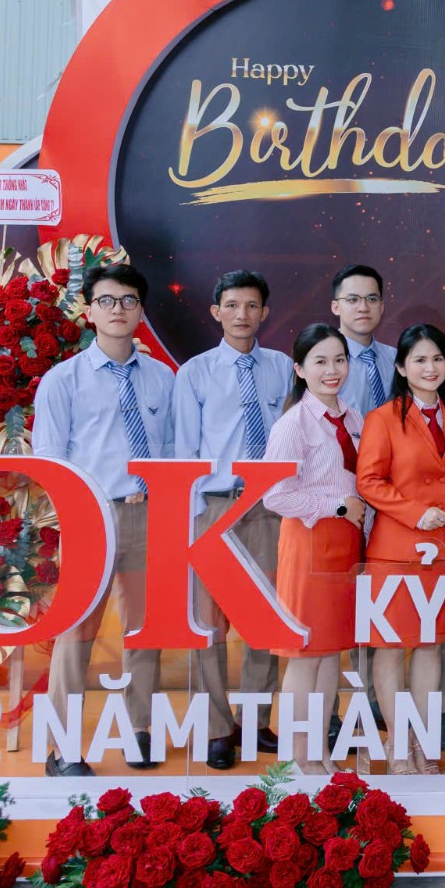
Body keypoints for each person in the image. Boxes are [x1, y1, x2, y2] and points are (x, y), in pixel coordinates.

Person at [35, 262, 175, 777]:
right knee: (76, 635)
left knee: (145, 630)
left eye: (129, 300)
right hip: (90, 515)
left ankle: (139, 731)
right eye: (108, 300)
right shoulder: (63, 380)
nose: (119, 309)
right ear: (89, 310)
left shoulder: (162, 378)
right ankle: (62, 750)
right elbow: (50, 460)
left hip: (149, 514)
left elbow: (174, 450)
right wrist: (79, 511)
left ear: (141, 310)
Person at [168, 269, 293, 769]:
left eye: (252, 306)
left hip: (270, 505)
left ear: (265, 313)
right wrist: (195, 517)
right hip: (216, 504)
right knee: (209, 625)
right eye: (233, 305)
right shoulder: (195, 372)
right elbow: (185, 449)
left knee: (266, 619)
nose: (242, 315)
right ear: (216, 311)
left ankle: (256, 722)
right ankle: (217, 729)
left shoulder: (284, 367)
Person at [355, 325, 445, 775]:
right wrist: (416, 513)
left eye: (437, 359)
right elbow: (369, 482)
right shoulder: (382, 418)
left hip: (442, 550)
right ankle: (398, 746)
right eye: (419, 360)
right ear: (402, 368)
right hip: (395, 550)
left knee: (430, 648)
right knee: (389, 649)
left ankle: (421, 744)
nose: (430, 367)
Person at [261, 324, 368, 775]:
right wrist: (336, 506)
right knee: (305, 656)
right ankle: (296, 759)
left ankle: (319, 753)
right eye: (320, 361)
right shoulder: (294, 423)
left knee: (330, 655)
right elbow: (274, 495)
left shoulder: (354, 417)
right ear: (300, 369)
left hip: (345, 546)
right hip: (308, 544)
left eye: (339, 360)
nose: (332, 370)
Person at [331, 265, 390, 418]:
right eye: (353, 299)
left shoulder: (396, 359)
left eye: (372, 299)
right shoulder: (322, 362)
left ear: (381, 307)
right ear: (336, 307)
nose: (363, 308)